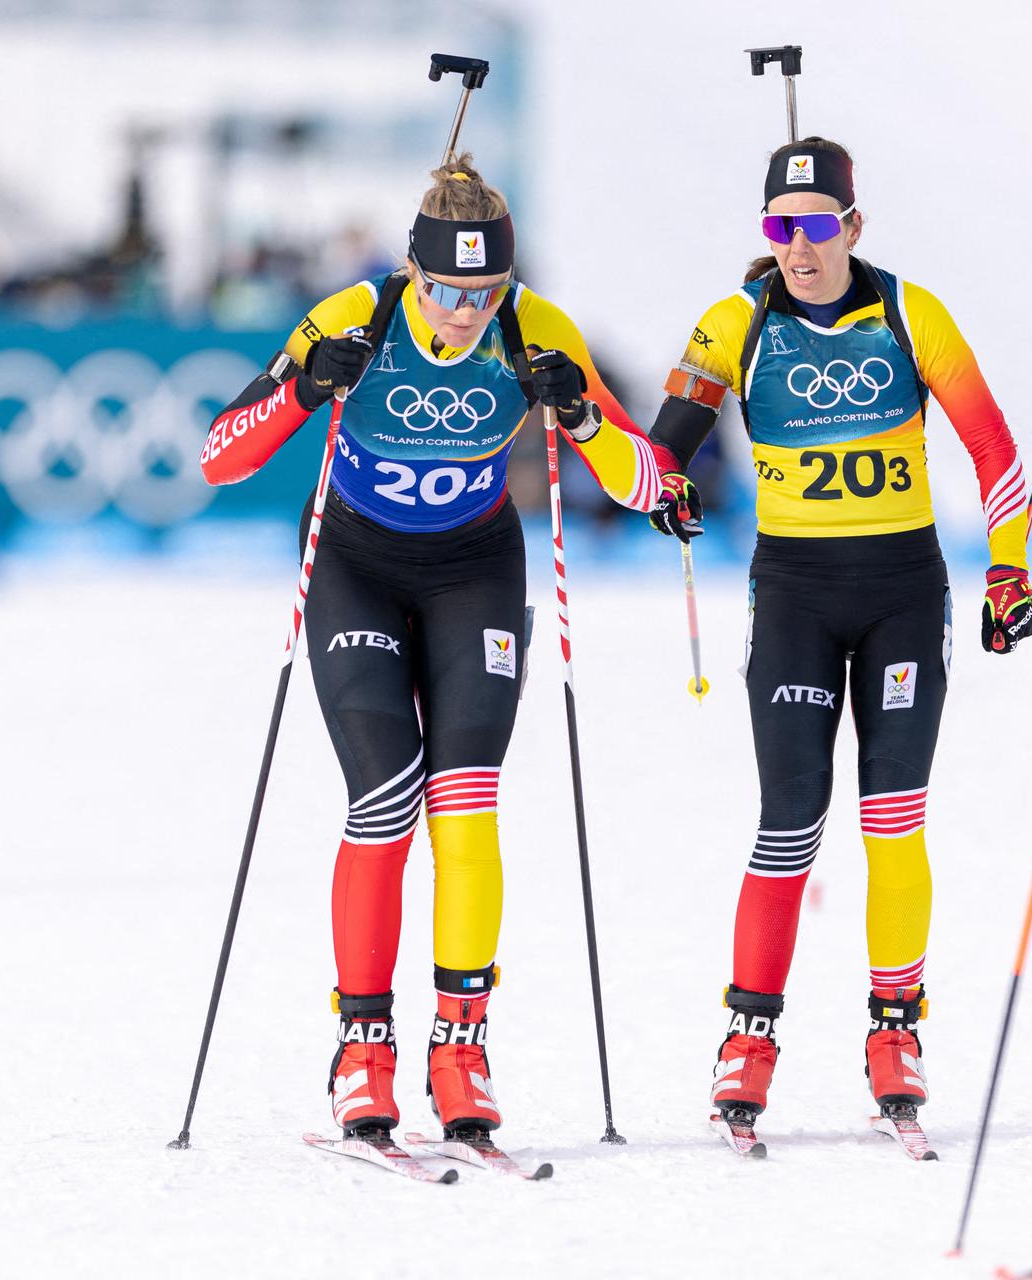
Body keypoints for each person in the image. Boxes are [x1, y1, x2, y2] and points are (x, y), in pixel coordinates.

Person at [200, 154, 671, 1141]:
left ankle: (461, 1043)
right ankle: (362, 1044)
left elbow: (652, 489)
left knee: (464, 798)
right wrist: (300, 392)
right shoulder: (353, 318)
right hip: (355, 564)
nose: (463, 312)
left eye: (483, 291)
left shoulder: (535, 329)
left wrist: (579, 413)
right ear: (412, 275)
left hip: (474, 572)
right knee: (383, 794)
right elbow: (219, 455)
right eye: (446, 290)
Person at [642, 136, 1032, 1127]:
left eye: (817, 227)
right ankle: (750, 1033)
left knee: (892, 819)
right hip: (796, 599)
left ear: (853, 226)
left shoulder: (912, 312)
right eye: (781, 228)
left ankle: (895, 1024)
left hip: (904, 591)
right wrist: (669, 491)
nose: (799, 247)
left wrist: (1008, 569)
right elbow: (661, 453)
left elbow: (991, 446)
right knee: (790, 821)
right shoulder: (734, 321)